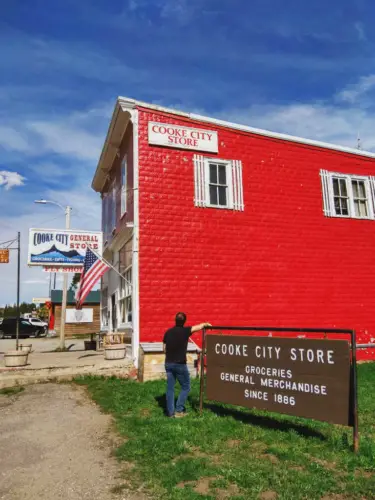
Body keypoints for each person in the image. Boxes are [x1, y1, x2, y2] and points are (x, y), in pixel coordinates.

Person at [163, 312, 211, 418]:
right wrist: (205, 324)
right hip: (180, 364)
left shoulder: (168, 332)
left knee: (170, 388)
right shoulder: (185, 331)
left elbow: (164, 349)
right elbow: (197, 327)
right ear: (184, 321)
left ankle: (170, 413)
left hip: (168, 363)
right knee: (186, 387)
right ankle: (179, 410)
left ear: (175, 320)